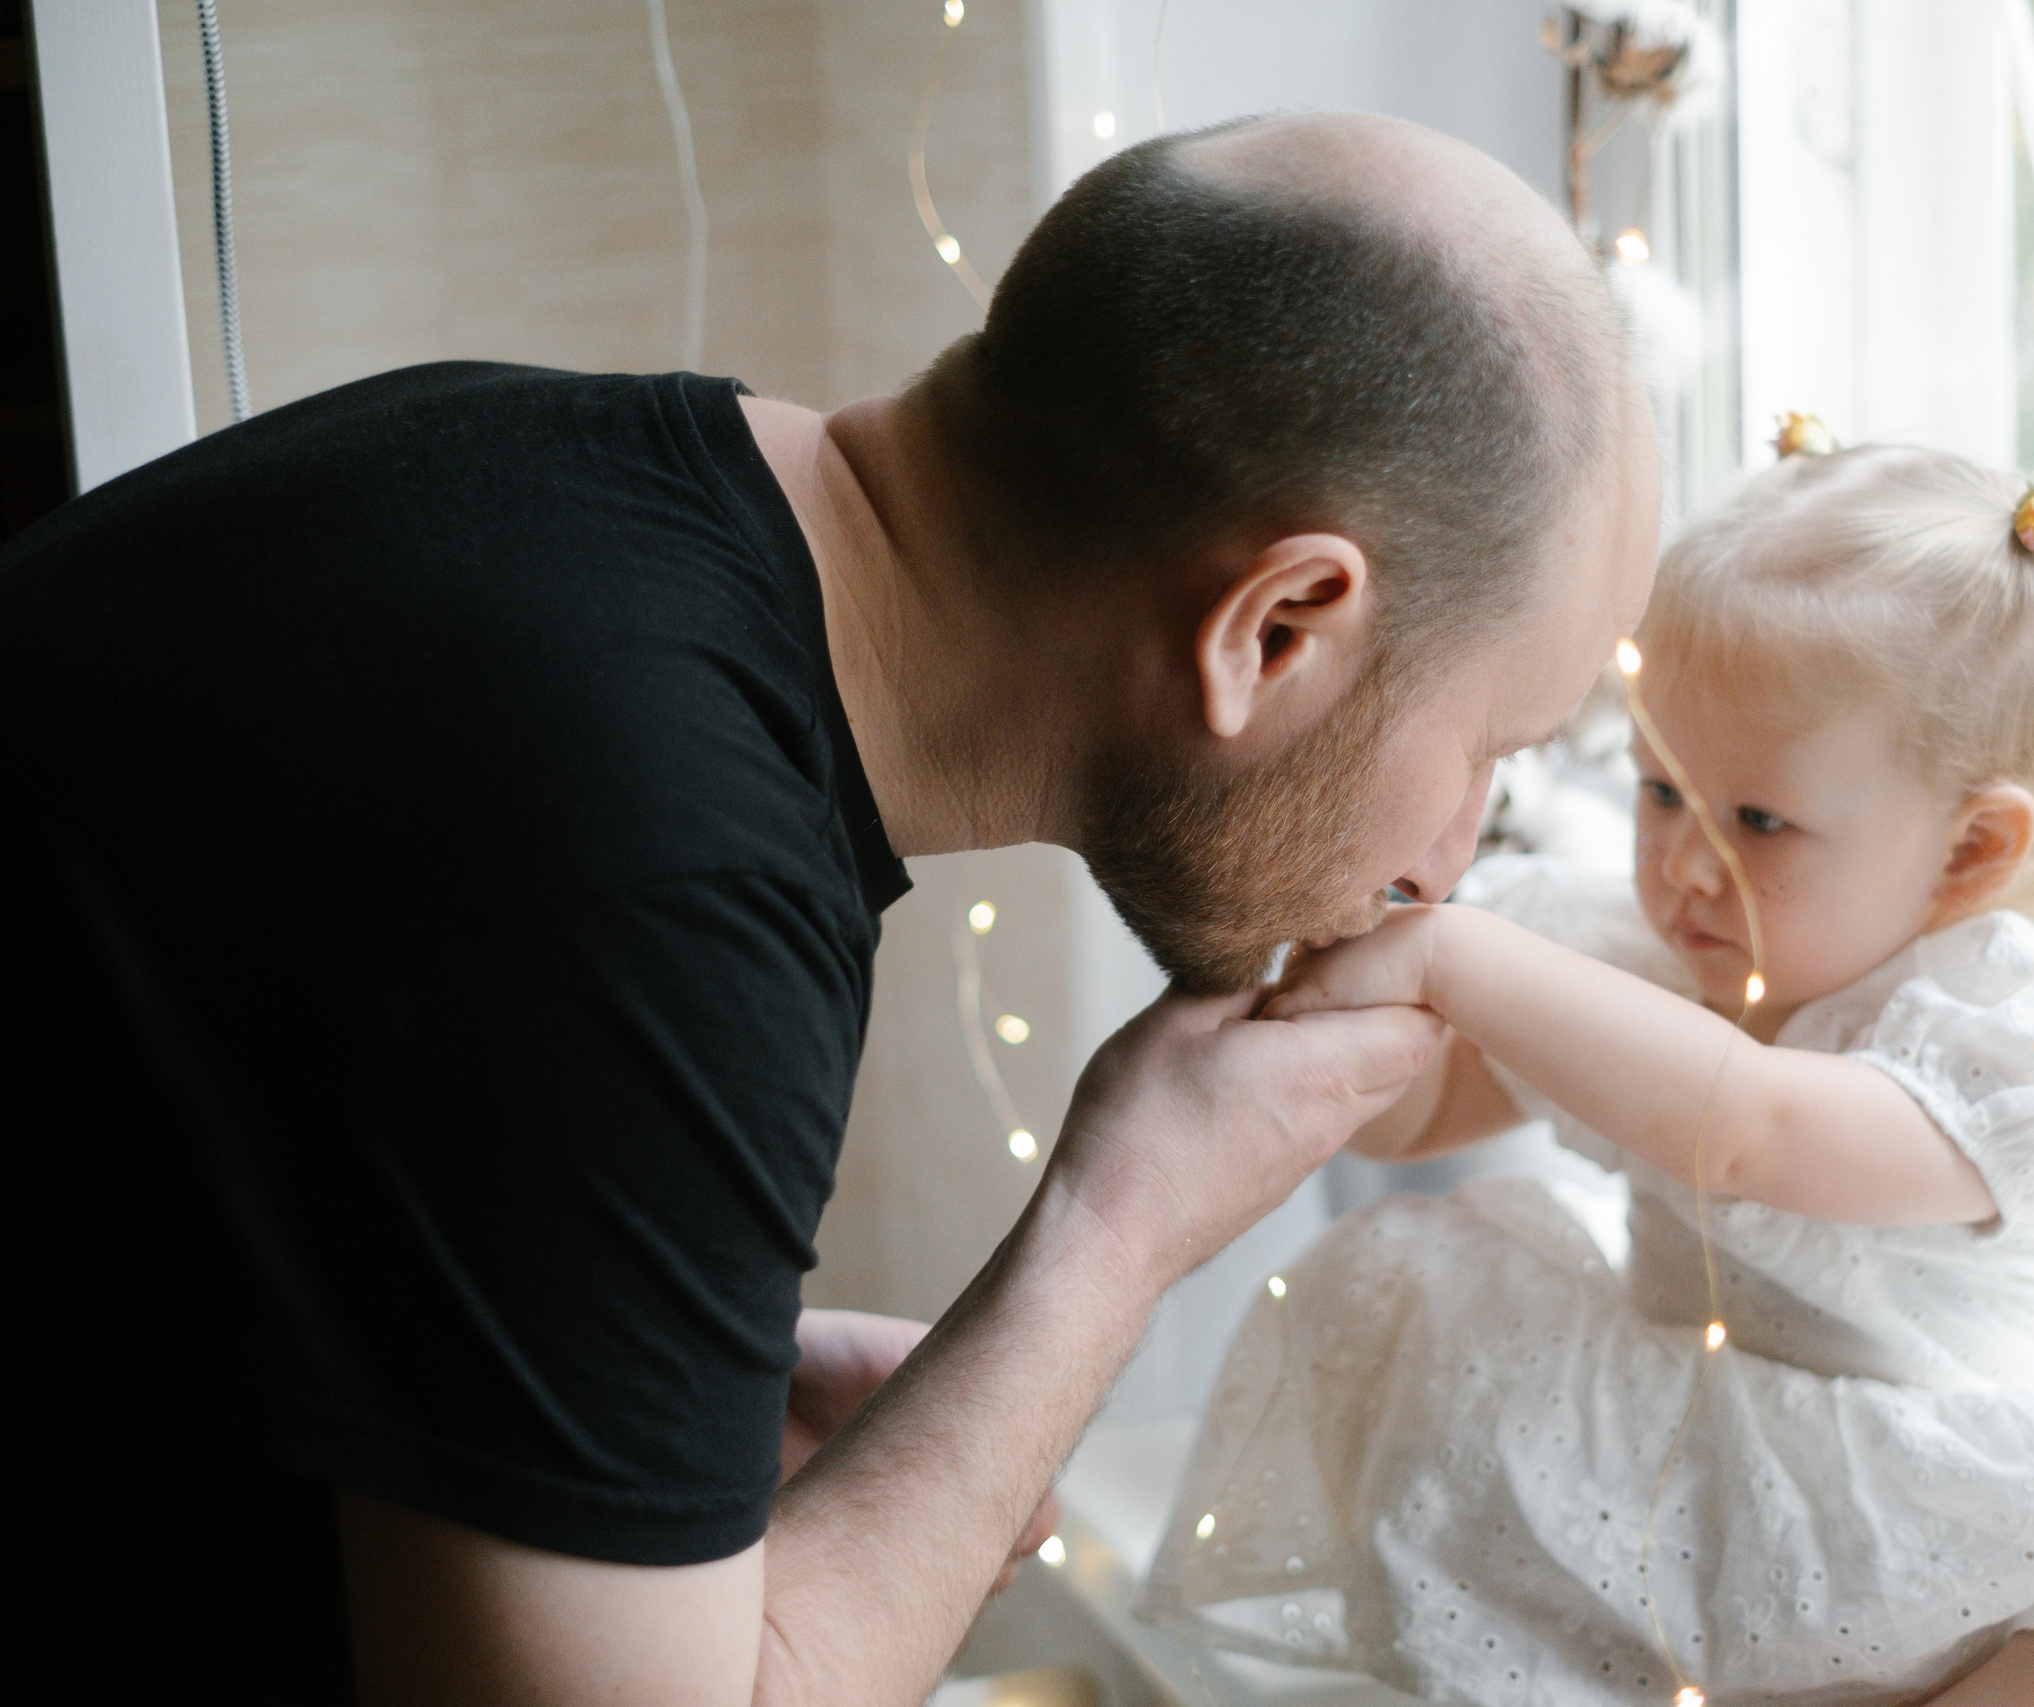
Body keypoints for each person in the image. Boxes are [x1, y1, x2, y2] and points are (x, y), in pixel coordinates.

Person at [0, 115, 1658, 1703]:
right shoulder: (658, 859)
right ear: (1276, 626)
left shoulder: (536, 481)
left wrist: (667, 1393)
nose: (1453, 856)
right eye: (1489, 750)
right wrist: (1115, 1229)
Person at [1142, 442, 2034, 1703]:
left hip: (1937, 1524)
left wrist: (1456, 956)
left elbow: (1754, 1130)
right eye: (1658, 792)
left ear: (1971, 850)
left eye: (1757, 821)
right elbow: (1404, 1121)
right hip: (1704, 1499)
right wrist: (1338, 918)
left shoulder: (1996, 1031)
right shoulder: (1622, 952)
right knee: (1421, 1275)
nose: (1684, 866)